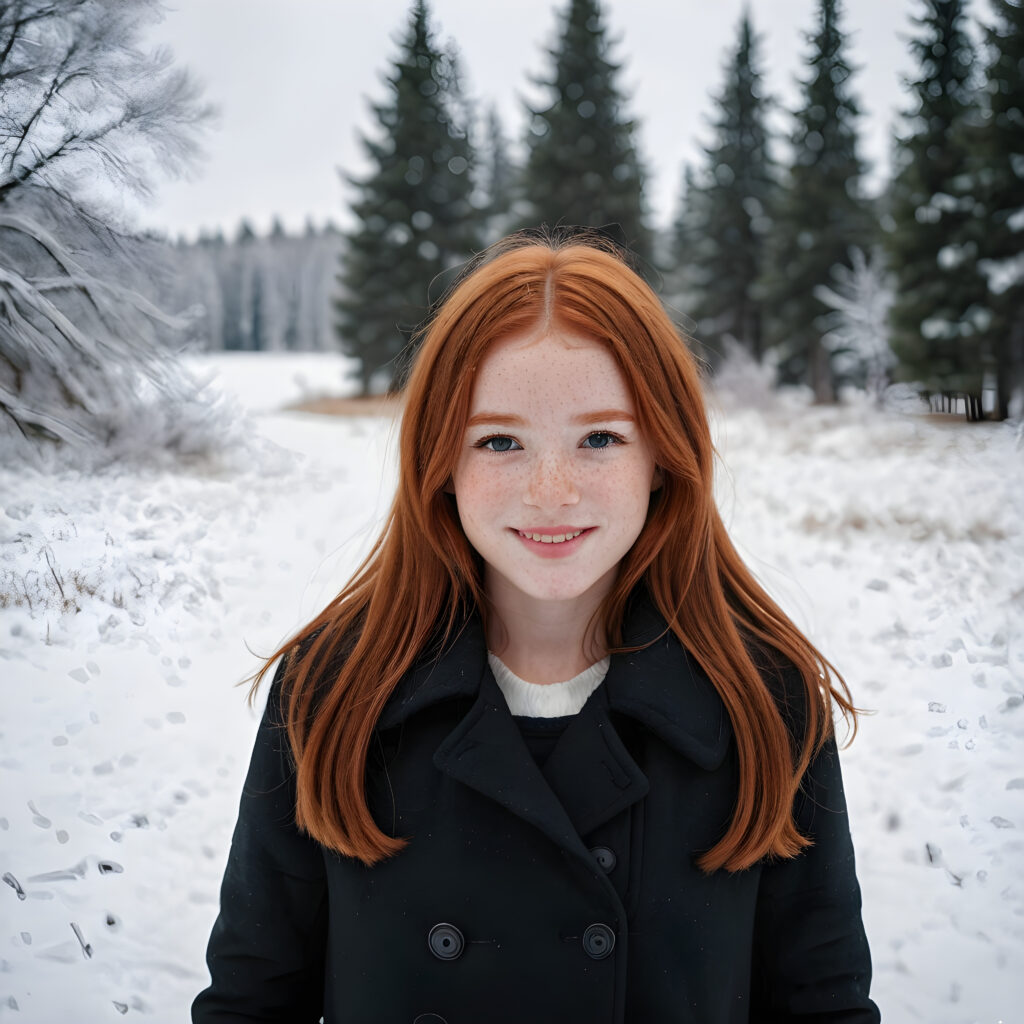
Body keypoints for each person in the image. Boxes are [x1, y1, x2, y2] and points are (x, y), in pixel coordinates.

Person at [193, 230, 880, 1023]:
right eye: (500, 441)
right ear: (440, 460)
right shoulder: (332, 689)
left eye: (598, 438)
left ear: (662, 453)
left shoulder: (766, 700)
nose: (550, 492)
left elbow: (823, 1006)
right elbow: (249, 1002)